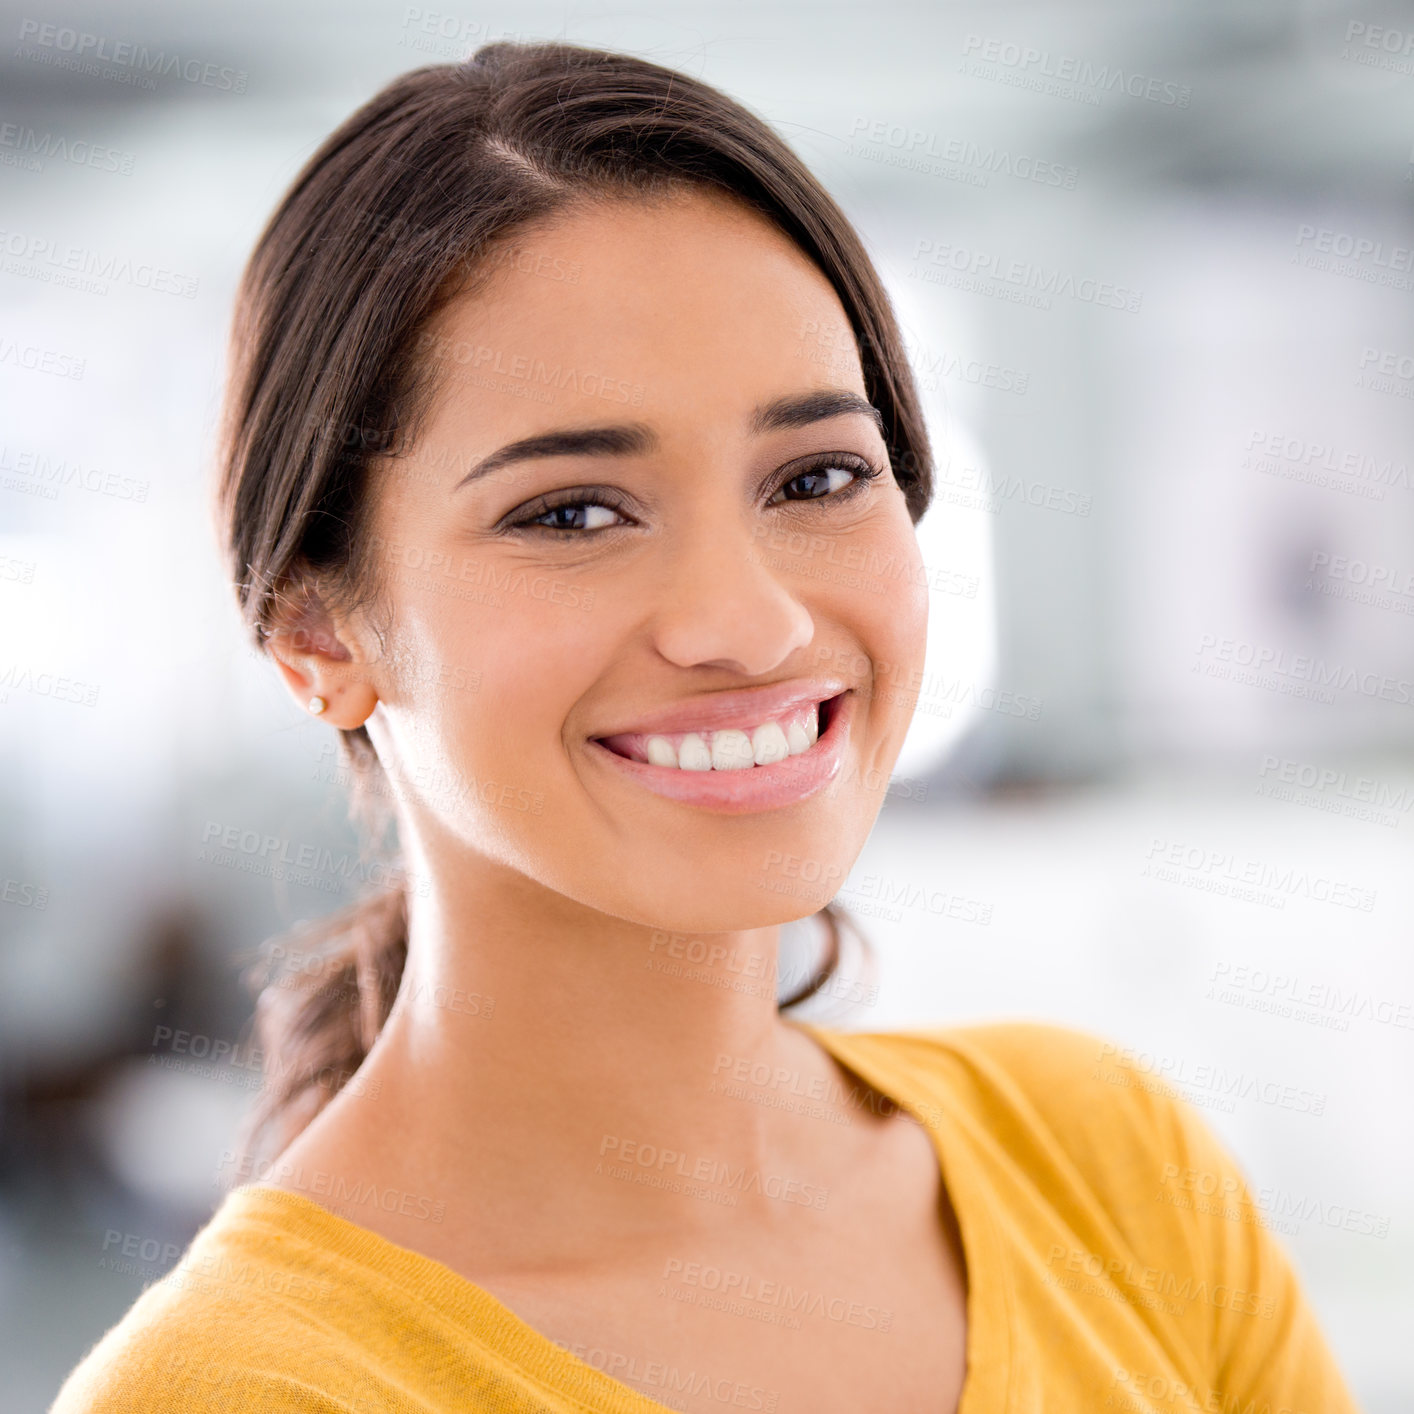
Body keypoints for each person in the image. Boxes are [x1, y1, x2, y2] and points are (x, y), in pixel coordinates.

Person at [52, 40, 1360, 1414]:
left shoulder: (1106, 1164)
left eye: (816, 476)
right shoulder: (238, 1389)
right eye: (572, 511)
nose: (751, 622)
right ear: (319, 633)